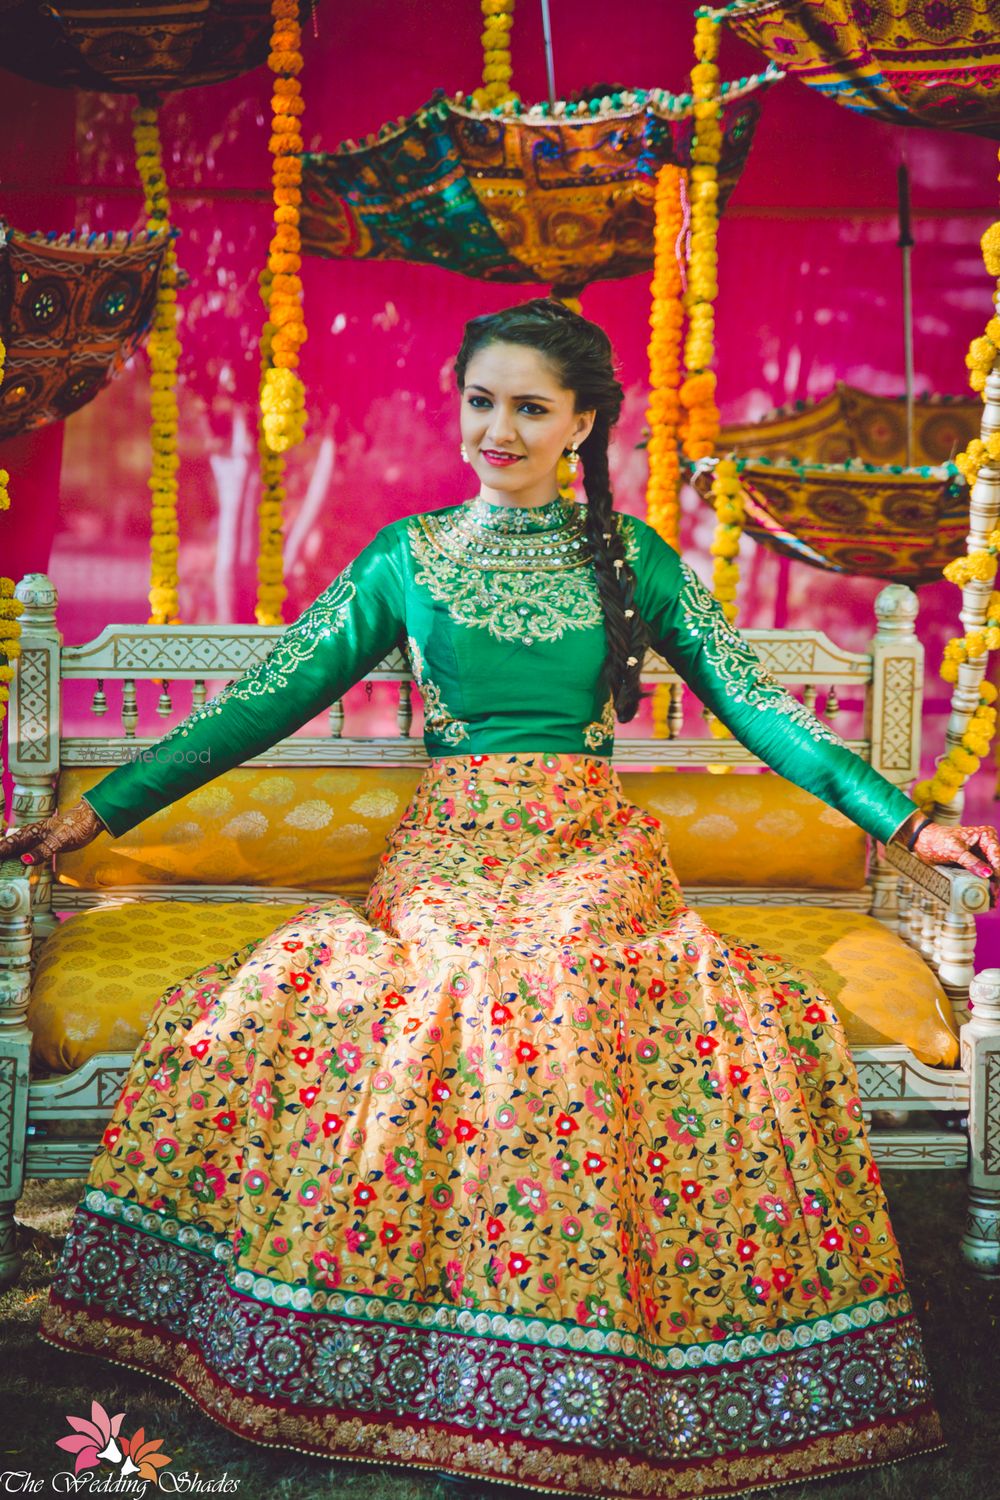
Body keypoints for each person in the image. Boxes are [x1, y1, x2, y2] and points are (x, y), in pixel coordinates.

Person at [3, 297, 999, 1500]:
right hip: (452, 850)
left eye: (530, 407)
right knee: (465, 983)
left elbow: (762, 713)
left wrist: (911, 821)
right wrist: (94, 814)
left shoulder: (632, 560)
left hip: (587, 846)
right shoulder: (404, 560)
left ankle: (572, 1355)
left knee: (571, 972)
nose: (499, 429)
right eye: (482, 401)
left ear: (583, 422)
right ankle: (437, 1349)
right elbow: (257, 705)